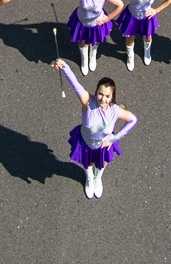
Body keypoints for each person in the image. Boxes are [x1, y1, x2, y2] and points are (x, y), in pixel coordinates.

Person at [52, 60, 137, 200]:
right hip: (86, 142)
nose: (103, 99)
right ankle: (90, 178)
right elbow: (75, 84)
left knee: (102, 163)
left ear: (112, 97)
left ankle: (98, 178)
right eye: (100, 94)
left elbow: (133, 119)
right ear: (96, 91)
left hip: (103, 145)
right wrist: (64, 67)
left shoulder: (115, 111)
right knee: (87, 163)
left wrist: (115, 137)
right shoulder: (87, 101)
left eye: (107, 96)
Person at [57, 0, 123, 74]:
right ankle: (84, 60)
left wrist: (107, 19)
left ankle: (93, 55)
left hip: (96, 23)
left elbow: (120, 4)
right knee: (82, 42)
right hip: (82, 22)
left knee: (95, 41)